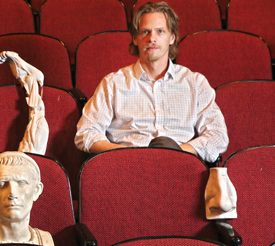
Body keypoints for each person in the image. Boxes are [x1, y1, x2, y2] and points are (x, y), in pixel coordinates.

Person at [74, 1, 228, 162]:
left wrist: (176, 152)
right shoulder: (113, 83)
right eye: (145, 32)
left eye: (160, 31)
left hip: (180, 165)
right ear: (135, 38)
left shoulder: (195, 83)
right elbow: (86, 133)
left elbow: (218, 136)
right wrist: (127, 153)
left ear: (172, 38)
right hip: (127, 165)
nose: (152, 38)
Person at [0, 152, 54, 246]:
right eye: (1, 184)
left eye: (22, 183)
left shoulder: (45, 241)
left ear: (36, 190)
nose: (12, 193)